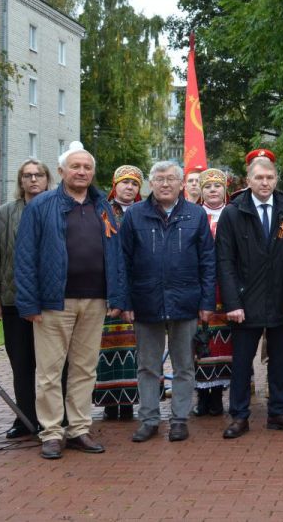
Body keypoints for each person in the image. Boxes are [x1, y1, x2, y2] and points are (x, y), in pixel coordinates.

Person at [14, 141, 127, 459]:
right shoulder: (42, 205)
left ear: (93, 172)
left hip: (95, 301)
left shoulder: (103, 206)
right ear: (61, 171)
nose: (81, 172)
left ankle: (78, 428)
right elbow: (25, 257)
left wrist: (116, 294)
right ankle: (50, 432)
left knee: (84, 369)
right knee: (49, 371)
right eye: (75, 166)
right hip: (53, 302)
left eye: (87, 167)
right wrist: (29, 303)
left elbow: (115, 253)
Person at [121, 161, 215, 443]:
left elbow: (207, 261)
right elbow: (122, 261)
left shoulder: (195, 215)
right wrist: (125, 301)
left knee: (184, 365)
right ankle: (149, 419)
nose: (165, 184)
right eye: (159, 179)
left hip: (185, 301)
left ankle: (179, 419)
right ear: (150, 183)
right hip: (145, 300)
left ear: (182, 183)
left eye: (171, 179)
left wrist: (206, 302)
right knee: (148, 365)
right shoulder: (135, 215)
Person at [218, 155, 283, 439]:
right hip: (245, 302)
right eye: (259, 178)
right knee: (243, 363)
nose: (265, 182)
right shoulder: (233, 213)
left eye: (269, 177)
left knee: (280, 361)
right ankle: (239, 416)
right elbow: (224, 261)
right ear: (248, 181)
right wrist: (232, 302)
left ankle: (278, 413)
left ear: (276, 180)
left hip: (282, 300)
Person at [0, 159, 52, 439]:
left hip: (50, 302)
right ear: (20, 181)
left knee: (52, 366)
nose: (33, 179)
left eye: (38, 175)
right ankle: (25, 419)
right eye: (27, 175)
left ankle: (53, 420)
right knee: (22, 364)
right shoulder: (5, 213)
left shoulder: (58, 209)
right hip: (13, 301)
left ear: (48, 179)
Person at [94, 165, 143, 421]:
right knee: (107, 349)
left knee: (136, 349)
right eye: (124, 182)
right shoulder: (101, 210)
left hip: (137, 289)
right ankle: (109, 403)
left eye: (134, 184)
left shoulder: (144, 211)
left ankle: (130, 404)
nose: (129, 187)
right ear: (115, 185)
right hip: (108, 289)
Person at [193, 168, 234, 418]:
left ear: (224, 190)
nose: (212, 190)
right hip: (198, 288)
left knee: (222, 345)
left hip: (224, 289)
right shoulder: (193, 214)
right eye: (207, 187)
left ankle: (217, 396)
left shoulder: (232, 215)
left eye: (217, 186)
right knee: (199, 342)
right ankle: (202, 398)